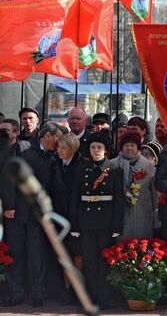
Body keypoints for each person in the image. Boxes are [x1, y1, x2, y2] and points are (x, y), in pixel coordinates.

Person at [4, 121, 59, 307]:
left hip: (37, 215)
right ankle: (16, 292)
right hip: (17, 212)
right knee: (15, 253)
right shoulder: (22, 146)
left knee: (36, 255)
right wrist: (9, 205)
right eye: (57, 138)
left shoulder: (51, 156)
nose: (58, 142)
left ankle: (38, 293)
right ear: (48, 136)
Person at [69, 130, 125, 309]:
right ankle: (91, 297)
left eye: (99, 147)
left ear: (106, 149)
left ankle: (104, 298)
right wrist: (75, 223)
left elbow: (119, 200)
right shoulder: (82, 169)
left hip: (106, 221)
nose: (96, 150)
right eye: (93, 147)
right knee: (89, 260)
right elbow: (75, 199)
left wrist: (117, 225)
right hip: (86, 220)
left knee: (104, 260)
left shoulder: (115, 170)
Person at [51, 132, 84, 304]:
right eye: (58, 147)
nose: (59, 151)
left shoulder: (80, 165)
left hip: (75, 214)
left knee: (77, 253)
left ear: (72, 149)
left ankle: (77, 289)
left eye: (63, 148)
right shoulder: (55, 163)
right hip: (59, 213)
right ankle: (67, 289)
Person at [110, 131, 157, 240]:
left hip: (143, 213)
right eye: (126, 145)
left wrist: (157, 221)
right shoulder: (112, 165)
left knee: (142, 247)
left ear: (138, 147)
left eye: (133, 145)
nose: (129, 148)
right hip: (120, 215)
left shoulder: (149, 165)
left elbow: (155, 195)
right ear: (121, 147)